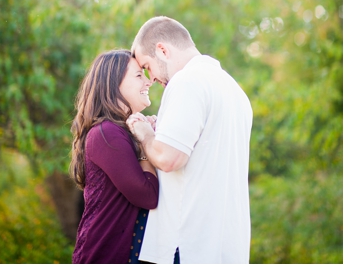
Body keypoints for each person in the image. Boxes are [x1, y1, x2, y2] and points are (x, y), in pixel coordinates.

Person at [126, 16, 252, 264]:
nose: (150, 79)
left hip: (188, 245)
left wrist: (144, 133)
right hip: (228, 247)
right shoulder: (234, 90)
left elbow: (169, 157)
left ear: (162, 50)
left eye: (147, 66)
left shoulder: (187, 81)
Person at [70, 49, 159, 264]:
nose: (148, 82)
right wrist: (146, 144)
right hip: (103, 257)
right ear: (113, 84)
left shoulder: (120, 131)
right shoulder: (106, 133)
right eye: (139, 75)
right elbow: (148, 196)